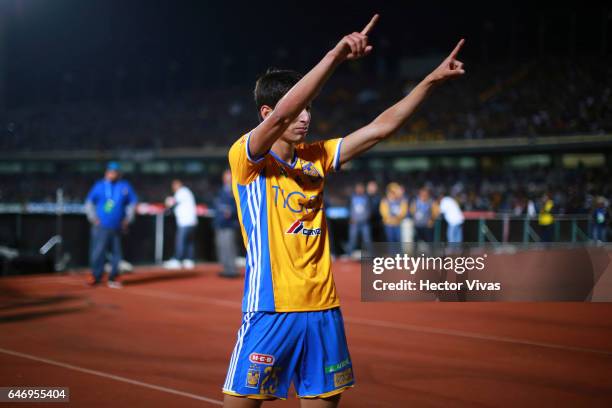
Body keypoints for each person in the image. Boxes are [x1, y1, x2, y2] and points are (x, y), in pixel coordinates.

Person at [222, 14, 465, 406]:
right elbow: (286, 112)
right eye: (300, 108)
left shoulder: (316, 157)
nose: (305, 117)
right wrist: (336, 56)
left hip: (324, 310)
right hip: (270, 309)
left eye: (310, 108)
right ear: (266, 114)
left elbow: (381, 128)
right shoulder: (248, 160)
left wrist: (431, 81)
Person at [85, 162, 137, 288]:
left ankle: (114, 277)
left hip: (117, 226)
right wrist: (93, 218)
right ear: (106, 172)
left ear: (118, 174)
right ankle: (96, 276)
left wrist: (128, 219)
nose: (112, 174)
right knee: (98, 251)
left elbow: (132, 204)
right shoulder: (99, 185)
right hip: (101, 225)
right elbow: (89, 203)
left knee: (116, 254)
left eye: (114, 172)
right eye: (110, 171)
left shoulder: (124, 186)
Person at [163, 179, 198, 270]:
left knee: (180, 241)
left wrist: (167, 201)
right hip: (192, 221)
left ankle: (177, 260)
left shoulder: (182, 191)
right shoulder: (186, 192)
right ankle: (189, 260)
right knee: (189, 242)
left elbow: (171, 203)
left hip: (185, 222)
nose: (173, 188)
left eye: (175, 185)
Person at [214, 170, 239, 278]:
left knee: (230, 246)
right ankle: (226, 268)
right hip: (220, 223)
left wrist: (231, 211)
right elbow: (216, 205)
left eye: (228, 177)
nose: (226, 179)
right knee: (221, 246)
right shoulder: (221, 190)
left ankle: (232, 269)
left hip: (230, 224)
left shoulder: (235, 189)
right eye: (225, 177)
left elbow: (237, 206)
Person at [345, 183, 372, 256]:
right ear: (356, 189)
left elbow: (369, 209)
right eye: (358, 188)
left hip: (364, 222)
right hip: (354, 222)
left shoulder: (367, 198)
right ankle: (349, 254)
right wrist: (350, 218)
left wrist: (366, 218)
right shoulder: (352, 197)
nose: (360, 190)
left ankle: (370, 254)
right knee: (352, 239)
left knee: (367, 239)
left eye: (361, 188)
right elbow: (348, 209)